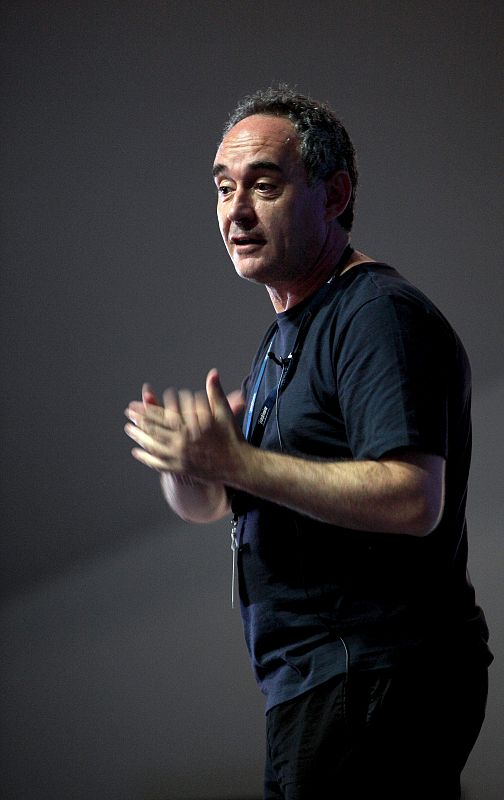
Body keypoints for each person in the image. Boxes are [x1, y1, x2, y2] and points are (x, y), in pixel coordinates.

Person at [124, 87, 492, 799]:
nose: (235, 211)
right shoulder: (285, 334)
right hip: (321, 689)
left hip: (374, 677)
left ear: (334, 194)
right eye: (224, 188)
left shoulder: (376, 314)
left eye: (264, 185)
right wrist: (192, 466)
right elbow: (220, 502)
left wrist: (238, 461)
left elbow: (414, 496)